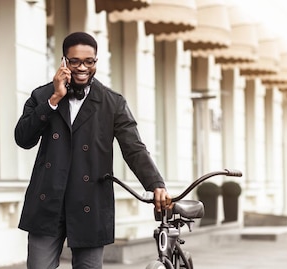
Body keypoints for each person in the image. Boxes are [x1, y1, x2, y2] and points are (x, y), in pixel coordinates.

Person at [14, 32, 172, 269]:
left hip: (89, 202)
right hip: (48, 201)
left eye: (89, 61)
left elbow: (134, 148)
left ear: (96, 62)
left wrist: (155, 184)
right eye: (75, 61)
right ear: (64, 61)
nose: (82, 67)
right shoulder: (43, 96)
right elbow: (23, 138)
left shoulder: (112, 102)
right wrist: (55, 99)